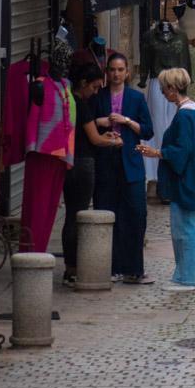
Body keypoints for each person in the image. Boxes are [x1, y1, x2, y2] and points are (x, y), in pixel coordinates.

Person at [138, 66, 195, 291]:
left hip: (186, 180)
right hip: (193, 177)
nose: (161, 92)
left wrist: (157, 153)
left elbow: (183, 150)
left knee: (183, 230)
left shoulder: (185, 116)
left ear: (172, 89)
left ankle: (186, 277)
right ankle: (192, 274)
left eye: (163, 88)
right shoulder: (191, 111)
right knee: (190, 227)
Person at [91, 50, 154, 284]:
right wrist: (104, 122)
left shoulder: (136, 98)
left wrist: (127, 121)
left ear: (127, 73)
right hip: (106, 161)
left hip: (130, 161)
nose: (116, 74)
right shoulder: (98, 98)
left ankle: (134, 267)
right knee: (108, 212)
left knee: (135, 214)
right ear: (106, 73)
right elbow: (87, 124)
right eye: (112, 70)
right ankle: (111, 266)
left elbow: (148, 130)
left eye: (120, 70)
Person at [61, 60, 120, 287]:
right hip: (83, 163)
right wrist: (113, 140)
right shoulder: (82, 105)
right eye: (94, 87)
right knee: (79, 215)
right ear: (83, 83)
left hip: (67, 161)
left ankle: (70, 267)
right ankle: (75, 268)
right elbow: (95, 138)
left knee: (70, 216)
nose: (96, 92)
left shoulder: (67, 99)